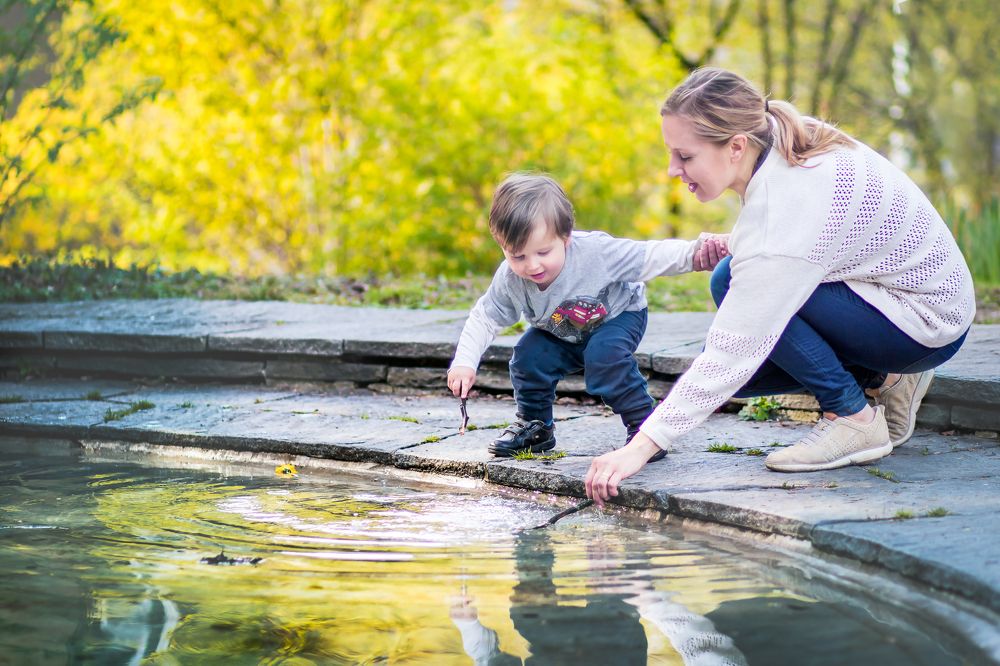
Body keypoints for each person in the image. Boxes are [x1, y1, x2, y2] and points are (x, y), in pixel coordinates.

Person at [586, 67, 974, 502]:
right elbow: (808, 239)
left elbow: (732, 347)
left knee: (738, 327)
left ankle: (854, 419)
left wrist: (639, 448)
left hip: (924, 322)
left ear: (735, 147)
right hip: (911, 302)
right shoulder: (775, 136)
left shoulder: (783, 207)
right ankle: (886, 378)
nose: (673, 170)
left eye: (686, 156)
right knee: (738, 320)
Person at [447, 172, 727, 457]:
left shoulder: (597, 252)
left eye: (543, 252)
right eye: (517, 256)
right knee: (528, 357)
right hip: (560, 329)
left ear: (565, 238)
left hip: (617, 316)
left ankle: (645, 428)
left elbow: (651, 255)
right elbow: (485, 318)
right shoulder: (510, 279)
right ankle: (535, 426)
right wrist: (465, 363)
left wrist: (699, 252)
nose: (532, 265)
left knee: (604, 356)